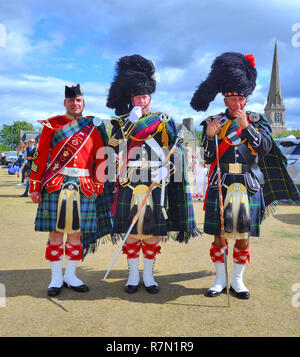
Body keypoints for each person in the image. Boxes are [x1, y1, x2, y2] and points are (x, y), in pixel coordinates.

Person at [190, 52, 300, 299]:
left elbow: (265, 149)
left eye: (240, 99)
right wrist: (209, 136)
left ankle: (238, 281)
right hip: (222, 183)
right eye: (232, 99)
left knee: (243, 237)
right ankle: (219, 280)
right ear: (225, 98)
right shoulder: (212, 122)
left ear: (246, 98)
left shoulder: (258, 122)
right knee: (219, 237)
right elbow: (208, 158)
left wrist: (246, 127)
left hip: (248, 184)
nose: (236, 104)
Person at [106, 54, 198, 294]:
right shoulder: (120, 122)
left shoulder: (163, 120)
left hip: (155, 182)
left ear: (150, 97)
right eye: (137, 96)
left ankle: (149, 276)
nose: (141, 100)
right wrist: (129, 124)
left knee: (151, 231)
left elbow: (174, 153)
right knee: (131, 231)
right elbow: (112, 147)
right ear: (132, 97)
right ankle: (132, 276)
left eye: (145, 96)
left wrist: (167, 169)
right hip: (129, 180)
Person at [29, 84, 113, 296]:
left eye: (79, 101)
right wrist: (34, 185)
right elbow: (40, 156)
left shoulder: (93, 125)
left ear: (83, 103)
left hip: (84, 185)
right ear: (65, 102)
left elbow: (101, 155)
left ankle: (71, 276)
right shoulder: (52, 125)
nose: (75, 104)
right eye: (71, 101)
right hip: (56, 182)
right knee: (56, 233)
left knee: (76, 234)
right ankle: (56, 279)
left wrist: (99, 182)